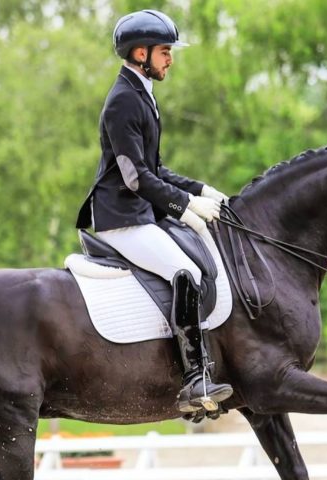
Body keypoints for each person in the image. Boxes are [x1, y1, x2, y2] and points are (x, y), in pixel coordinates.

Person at [76, 9, 232, 413]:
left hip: (141, 212)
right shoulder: (123, 101)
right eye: (165, 51)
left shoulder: (141, 92)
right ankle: (195, 380)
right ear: (140, 52)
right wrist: (185, 206)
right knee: (189, 273)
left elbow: (156, 169)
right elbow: (135, 178)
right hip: (121, 217)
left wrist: (200, 189)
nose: (170, 59)